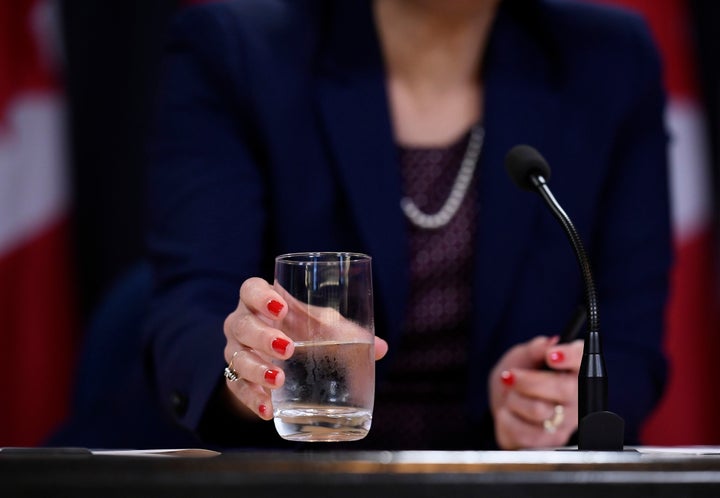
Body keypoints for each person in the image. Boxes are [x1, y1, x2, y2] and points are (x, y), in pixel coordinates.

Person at [144, 0, 671, 450]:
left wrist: (556, 403)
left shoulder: (608, 61)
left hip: (509, 480)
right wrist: (253, 373)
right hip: (290, 471)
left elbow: (630, 339)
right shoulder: (238, 51)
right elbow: (193, 307)